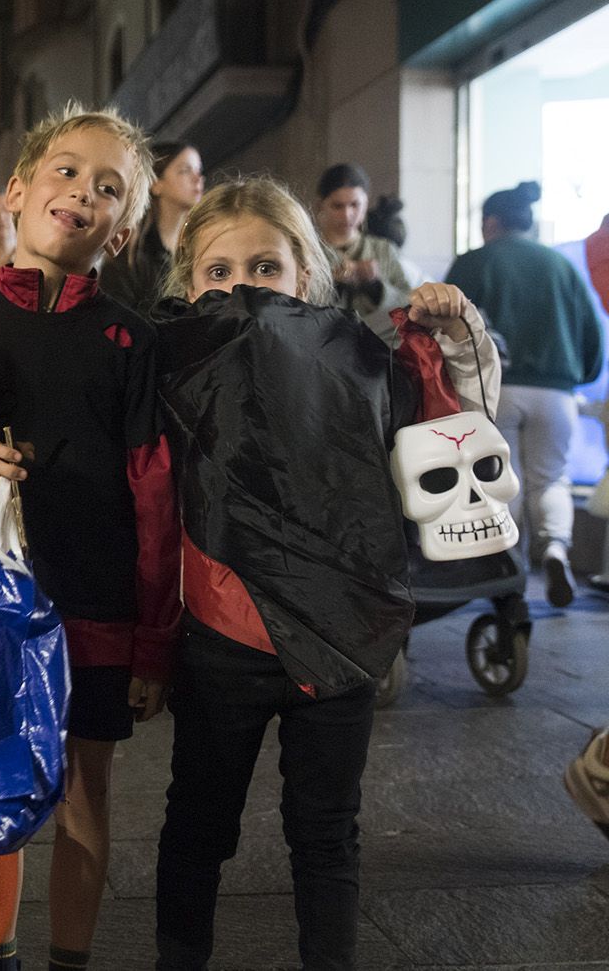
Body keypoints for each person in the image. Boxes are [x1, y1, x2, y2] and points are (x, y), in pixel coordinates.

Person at [150, 177, 499, 971]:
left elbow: (460, 426)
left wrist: (454, 325)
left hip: (338, 648)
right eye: (220, 272)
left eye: (265, 268)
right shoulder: (163, 359)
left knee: (326, 833)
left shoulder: (366, 355)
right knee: (200, 826)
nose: (243, 289)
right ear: (188, 283)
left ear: (306, 272)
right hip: (223, 641)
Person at [0, 102, 180, 971]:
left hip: (96, 604)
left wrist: (152, 642)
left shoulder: (132, 341)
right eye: (66, 171)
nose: (83, 193)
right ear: (17, 190)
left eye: (109, 188)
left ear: (128, 225)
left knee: (83, 793)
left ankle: (70, 958)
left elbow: (154, 494)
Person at [447, 181, 603, 608]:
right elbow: (591, 338)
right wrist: (573, 377)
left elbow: (445, 329)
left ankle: (510, 572)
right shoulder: (560, 266)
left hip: (496, 388)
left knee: (504, 478)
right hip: (557, 393)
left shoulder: (474, 263)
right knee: (550, 479)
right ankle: (555, 549)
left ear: (492, 223)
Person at [98, 140, 203, 312]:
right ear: (156, 184)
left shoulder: (198, 251)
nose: (198, 179)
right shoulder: (131, 258)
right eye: (185, 171)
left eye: (199, 170)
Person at [314, 163, 414, 340]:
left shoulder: (383, 250)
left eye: (354, 205)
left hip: (381, 350)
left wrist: (375, 287)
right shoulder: (309, 251)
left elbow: (408, 305)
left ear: (366, 203)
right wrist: (334, 285)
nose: (346, 214)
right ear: (321, 205)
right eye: (337, 206)